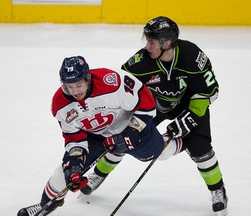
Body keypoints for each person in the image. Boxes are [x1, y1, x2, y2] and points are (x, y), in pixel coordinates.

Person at [81, 16, 228, 216]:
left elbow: (210, 90)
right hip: (153, 105)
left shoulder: (192, 56)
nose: (147, 46)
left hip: (189, 105)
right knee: (123, 135)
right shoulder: (140, 62)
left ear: (166, 43)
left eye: (151, 42)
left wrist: (191, 117)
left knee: (200, 148)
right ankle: (97, 175)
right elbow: (121, 86)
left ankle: (218, 190)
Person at [17, 56, 182, 216]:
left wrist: (129, 134)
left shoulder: (112, 82)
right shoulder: (60, 104)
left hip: (132, 126)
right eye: (68, 86)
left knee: (161, 153)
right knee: (63, 173)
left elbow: (146, 104)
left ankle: (181, 142)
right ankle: (45, 206)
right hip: (96, 136)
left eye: (78, 85)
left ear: (88, 79)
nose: (74, 92)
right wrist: (74, 164)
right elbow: (74, 138)